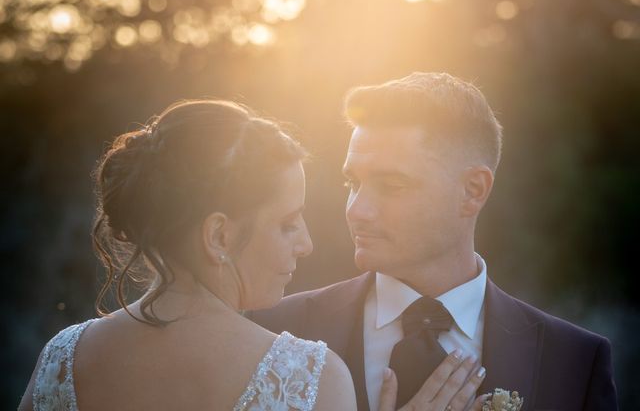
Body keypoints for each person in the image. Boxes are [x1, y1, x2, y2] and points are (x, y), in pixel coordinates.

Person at [18, 99, 488, 411]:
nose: (305, 243)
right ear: (219, 235)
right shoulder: (310, 378)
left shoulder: (64, 358)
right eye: (287, 224)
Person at [252, 72, 618, 411]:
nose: (357, 210)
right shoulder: (270, 332)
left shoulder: (573, 361)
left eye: (391, 186)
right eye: (353, 183)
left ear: (472, 191)